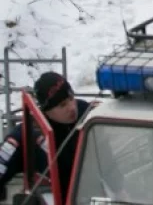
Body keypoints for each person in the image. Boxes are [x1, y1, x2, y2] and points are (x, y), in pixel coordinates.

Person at [0, 73, 94, 203]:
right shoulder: (27, 134)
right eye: (62, 105)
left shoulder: (86, 112)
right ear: (46, 111)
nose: (72, 107)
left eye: (71, 98)